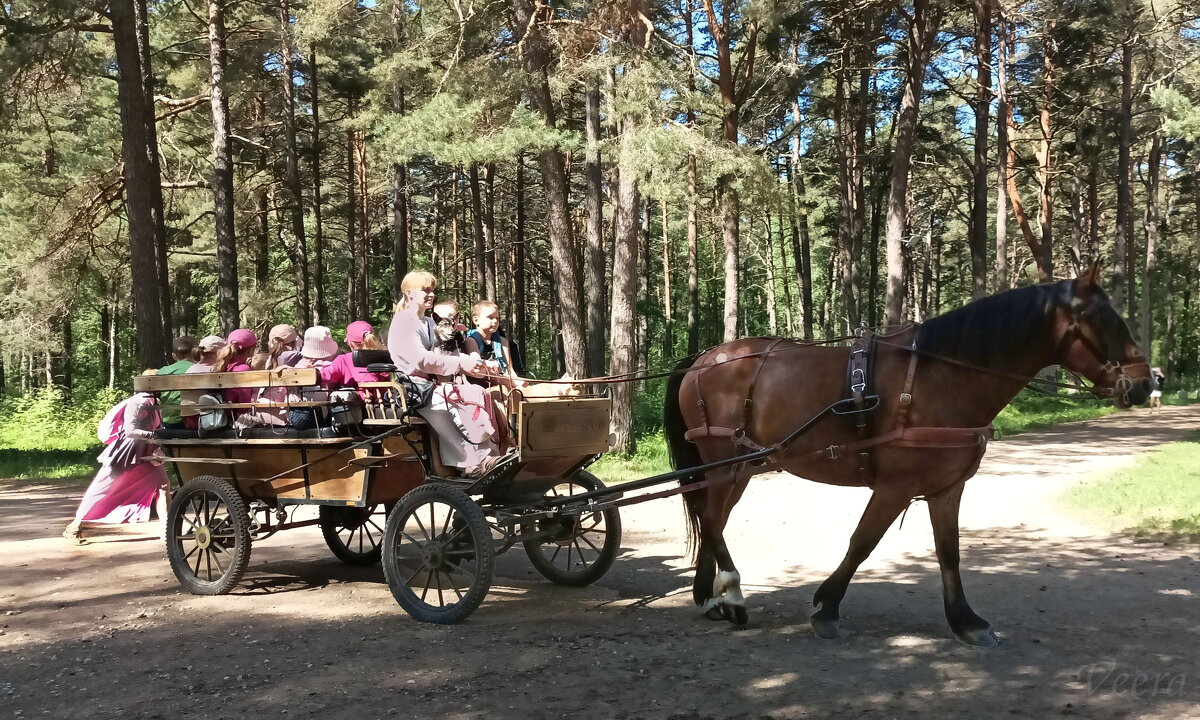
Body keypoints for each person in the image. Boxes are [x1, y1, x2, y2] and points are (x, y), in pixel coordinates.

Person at [387, 271, 511, 477]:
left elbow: (448, 352)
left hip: (431, 386)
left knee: (477, 392)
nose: (431, 294)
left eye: (432, 290)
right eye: (425, 290)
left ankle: (493, 454)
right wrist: (463, 363)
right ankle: (477, 463)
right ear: (409, 294)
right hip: (414, 389)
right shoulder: (404, 322)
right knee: (470, 397)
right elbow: (421, 360)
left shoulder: (428, 322)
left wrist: (480, 365)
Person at [64, 376, 168, 544]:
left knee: (163, 485)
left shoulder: (154, 403)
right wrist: (156, 435)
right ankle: (75, 526)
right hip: (127, 453)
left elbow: (156, 427)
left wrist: (158, 442)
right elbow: (130, 431)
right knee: (103, 487)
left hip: (148, 452)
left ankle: (167, 529)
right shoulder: (138, 402)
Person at [464, 300, 523, 389]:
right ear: (476, 320)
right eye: (490, 317)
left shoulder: (502, 341)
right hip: (480, 386)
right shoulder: (471, 341)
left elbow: (510, 370)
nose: (495, 321)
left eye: (497, 318)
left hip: (505, 384)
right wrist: (511, 382)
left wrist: (518, 381)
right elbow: (479, 370)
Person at [319, 320, 390, 390]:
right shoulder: (382, 357)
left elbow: (325, 375)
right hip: (382, 400)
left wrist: (314, 371)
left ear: (351, 344)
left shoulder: (343, 360)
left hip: (357, 400)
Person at [180, 335, 227, 429]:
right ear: (218, 353)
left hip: (188, 418)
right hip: (207, 419)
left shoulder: (190, 369)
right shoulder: (213, 371)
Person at [157, 336, 196, 429]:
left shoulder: (162, 372)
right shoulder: (198, 369)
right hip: (193, 420)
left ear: (174, 355)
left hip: (169, 421)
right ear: (194, 352)